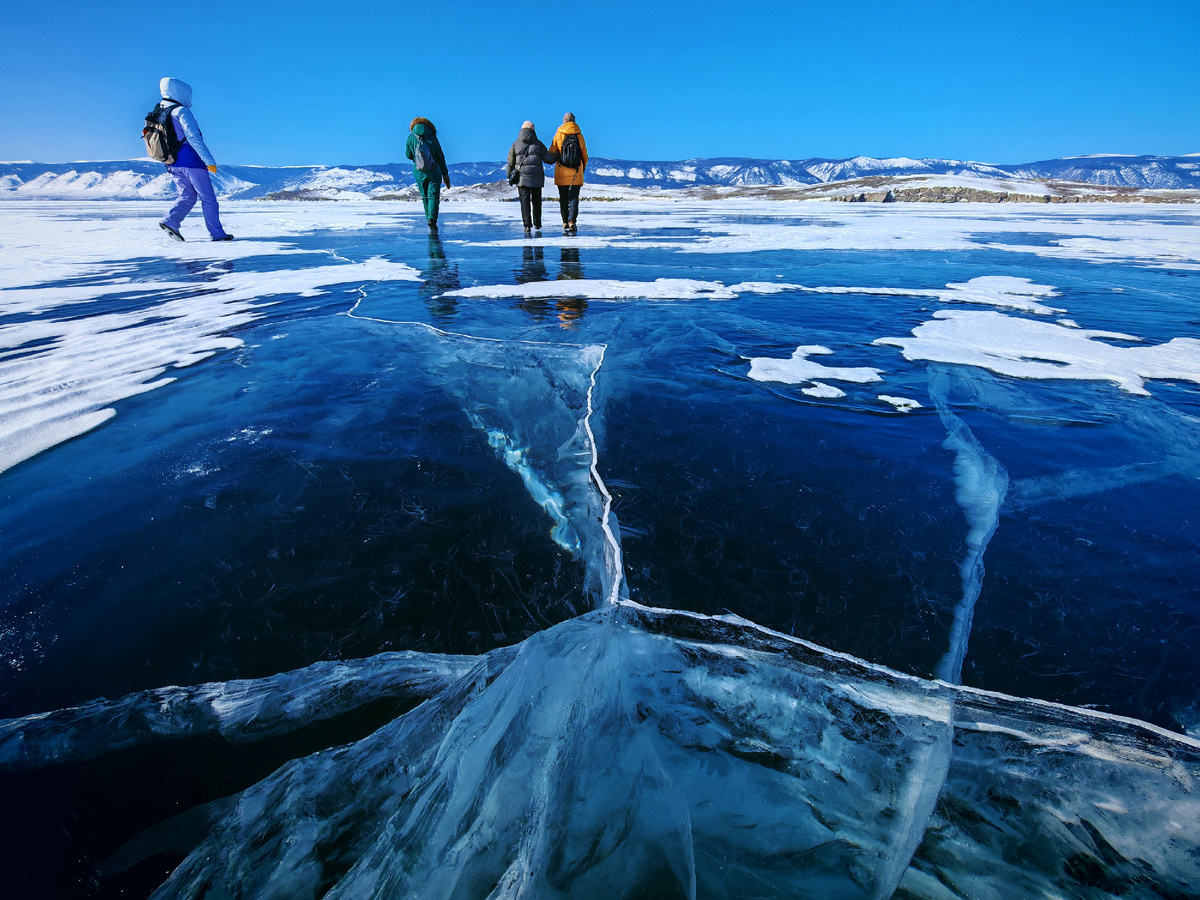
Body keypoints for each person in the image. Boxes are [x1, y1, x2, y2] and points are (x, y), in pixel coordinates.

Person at [155, 77, 233, 242]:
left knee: (187, 195)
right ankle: (217, 234)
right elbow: (193, 137)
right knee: (208, 198)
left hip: (171, 162)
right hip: (191, 161)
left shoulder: (159, 112)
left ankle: (170, 221)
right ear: (180, 91)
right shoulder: (181, 111)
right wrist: (209, 161)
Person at [507, 121, 554, 237]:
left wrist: (510, 176)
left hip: (522, 179)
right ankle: (537, 224)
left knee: (525, 202)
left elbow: (510, 163)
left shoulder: (515, 145)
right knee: (537, 202)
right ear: (533, 130)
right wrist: (558, 153)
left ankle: (527, 225)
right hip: (537, 179)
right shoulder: (538, 145)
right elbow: (548, 159)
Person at [405, 117, 451, 231]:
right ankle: (432, 220)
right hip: (434, 170)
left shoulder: (411, 138)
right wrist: (445, 174)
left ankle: (428, 220)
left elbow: (408, 155)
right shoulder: (433, 138)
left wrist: (418, 160)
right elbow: (440, 157)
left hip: (419, 171)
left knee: (425, 196)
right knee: (433, 195)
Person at [548, 112, 588, 234]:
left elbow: (552, 152)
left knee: (563, 198)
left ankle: (565, 221)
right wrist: (582, 168)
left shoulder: (558, 135)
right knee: (574, 198)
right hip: (576, 172)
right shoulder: (579, 136)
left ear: (564, 121)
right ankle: (572, 222)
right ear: (574, 121)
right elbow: (584, 155)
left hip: (562, 171)